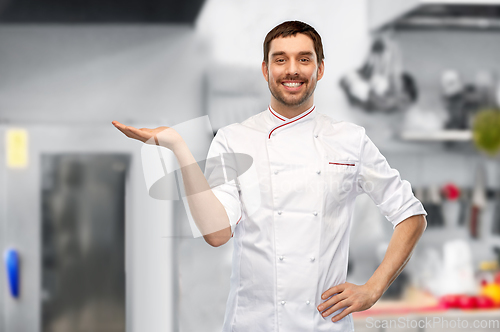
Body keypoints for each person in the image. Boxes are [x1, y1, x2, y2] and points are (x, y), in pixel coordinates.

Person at [113, 20, 427, 332]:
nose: (292, 70)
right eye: (281, 60)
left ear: (319, 69)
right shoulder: (233, 139)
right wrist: (179, 149)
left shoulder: (350, 140)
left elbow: (411, 214)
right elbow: (217, 234)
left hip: (323, 325)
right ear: (266, 70)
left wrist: (373, 288)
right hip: (254, 324)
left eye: (304, 59)